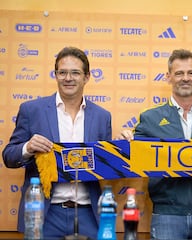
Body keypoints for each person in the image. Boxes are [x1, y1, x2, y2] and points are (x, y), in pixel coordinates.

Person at [119, 49, 192, 240]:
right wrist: (125, 141)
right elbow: (132, 153)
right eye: (179, 73)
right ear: (168, 77)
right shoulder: (149, 118)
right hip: (166, 215)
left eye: (191, 73)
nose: (185, 78)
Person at [2, 46, 112, 239]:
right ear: (56, 75)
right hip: (44, 213)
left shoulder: (102, 117)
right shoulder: (31, 110)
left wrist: (126, 147)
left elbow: (107, 164)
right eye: (62, 72)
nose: (68, 78)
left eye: (75, 73)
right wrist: (27, 147)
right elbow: (9, 157)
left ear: (86, 77)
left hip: (88, 213)